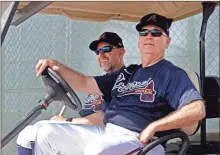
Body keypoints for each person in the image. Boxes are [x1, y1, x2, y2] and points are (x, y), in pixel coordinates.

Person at [31, 13, 206, 155]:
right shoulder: (126, 73)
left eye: (156, 33)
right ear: (139, 41)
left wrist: (154, 127)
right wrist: (57, 66)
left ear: (167, 41)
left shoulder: (171, 74)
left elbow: (197, 109)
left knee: (96, 150)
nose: (149, 37)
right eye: (144, 33)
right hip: (107, 133)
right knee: (47, 133)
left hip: (143, 142)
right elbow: (84, 82)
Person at [16, 32, 126, 155]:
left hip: (109, 136)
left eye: (106, 49)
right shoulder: (100, 82)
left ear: (121, 52)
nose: (101, 55)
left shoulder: (125, 80)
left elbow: (105, 118)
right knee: (29, 132)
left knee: (46, 133)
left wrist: (67, 121)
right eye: (97, 52)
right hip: (88, 133)